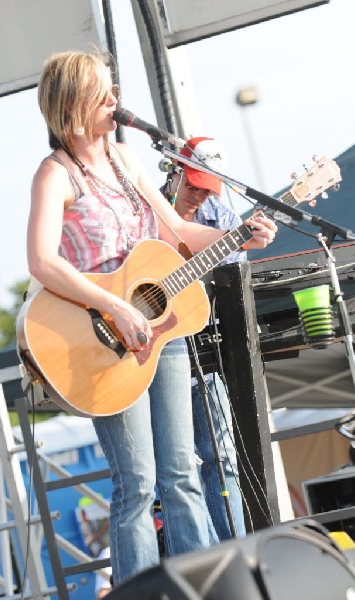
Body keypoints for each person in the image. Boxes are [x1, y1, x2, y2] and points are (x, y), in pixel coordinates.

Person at [26, 48, 277, 586]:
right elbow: (41, 260)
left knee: (182, 472)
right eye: (103, 93)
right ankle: (140, 594)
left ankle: (209, 586)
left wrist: (241, 237)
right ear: (73, 104)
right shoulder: (54, 174)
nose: (116, 102)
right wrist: (115, 304)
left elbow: (179, 236)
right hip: (97, 341)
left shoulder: (128, 160)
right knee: (137, 485)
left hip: (159, 335)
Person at [161, 137, 247, 540]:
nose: (198, 195)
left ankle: (233, 554)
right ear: (174, 171)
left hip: (202, 354)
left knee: (222, 457)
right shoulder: (144, 209)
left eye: (207, 188)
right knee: (175, 471)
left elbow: (230, 289)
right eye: (193, 183)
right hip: (151, 356)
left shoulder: (226, 221)